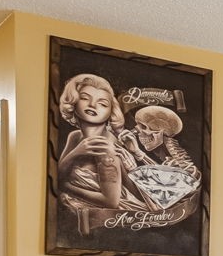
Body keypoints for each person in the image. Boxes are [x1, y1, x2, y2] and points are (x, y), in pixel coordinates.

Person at [54, 74, 156, 234]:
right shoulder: (75, 137)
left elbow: (111, 202)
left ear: (110, 112)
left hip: (115, 222)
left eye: (102, 103)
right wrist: (75, 153)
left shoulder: (105, 147)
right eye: (85, 98)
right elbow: (58, 174)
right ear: (73, 102)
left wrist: (66, 187)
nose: (93, 105)